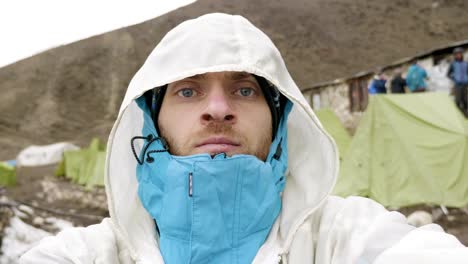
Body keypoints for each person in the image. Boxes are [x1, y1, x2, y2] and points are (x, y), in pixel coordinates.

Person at [21, 13, 468, 264]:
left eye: (245, 89)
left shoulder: (339, 239)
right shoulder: (95, 254)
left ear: (278, 121)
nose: (217, 108)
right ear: (152, 122)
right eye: (188, 90)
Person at [447, 47, 468, 116]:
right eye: (457, 54)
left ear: (462, 55)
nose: (458, 55)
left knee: (466, 100)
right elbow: (448, 74)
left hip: (465, 85)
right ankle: (460, 114)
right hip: (458, 85)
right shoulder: (453, 64)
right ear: (455, 55)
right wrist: (454, 78)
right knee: (458, 101)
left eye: (460, 54)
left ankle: (466, 114)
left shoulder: (466, 63)